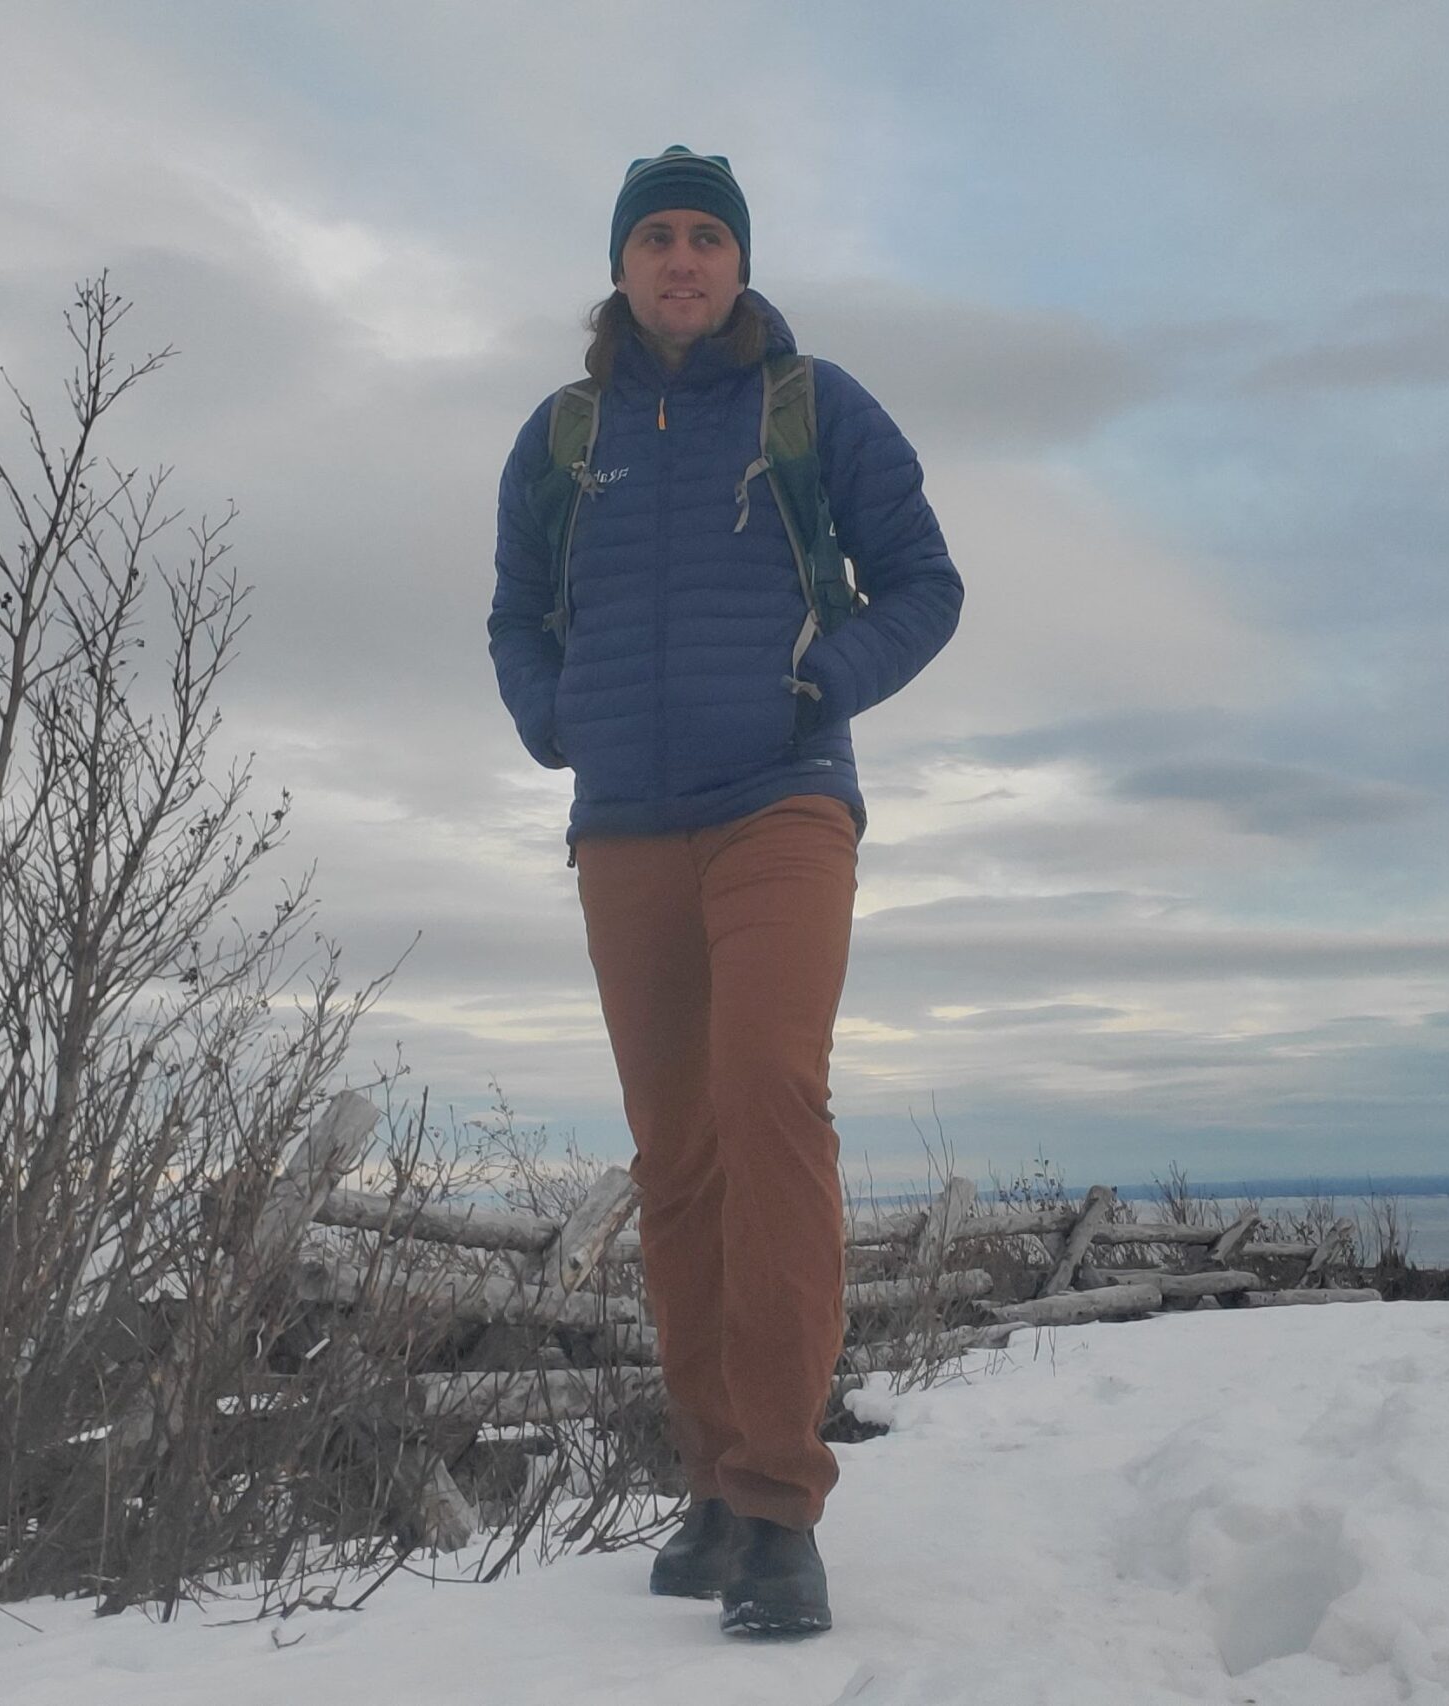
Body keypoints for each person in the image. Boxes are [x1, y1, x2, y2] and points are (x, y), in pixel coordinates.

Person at [487, 146, 962, 1638]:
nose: (682, 260)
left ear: (739, 262)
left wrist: (830, 673)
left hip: (784, 801)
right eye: (657, 239)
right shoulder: (565, 436)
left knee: (771, 1100)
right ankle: (708, 1481)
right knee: (676, 1161)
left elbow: (927, 584)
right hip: (623, 824)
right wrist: (549, 714)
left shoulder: (813, 408)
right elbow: (511, 611)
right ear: (622, 266)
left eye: (706, 238)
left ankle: (777, 1499)